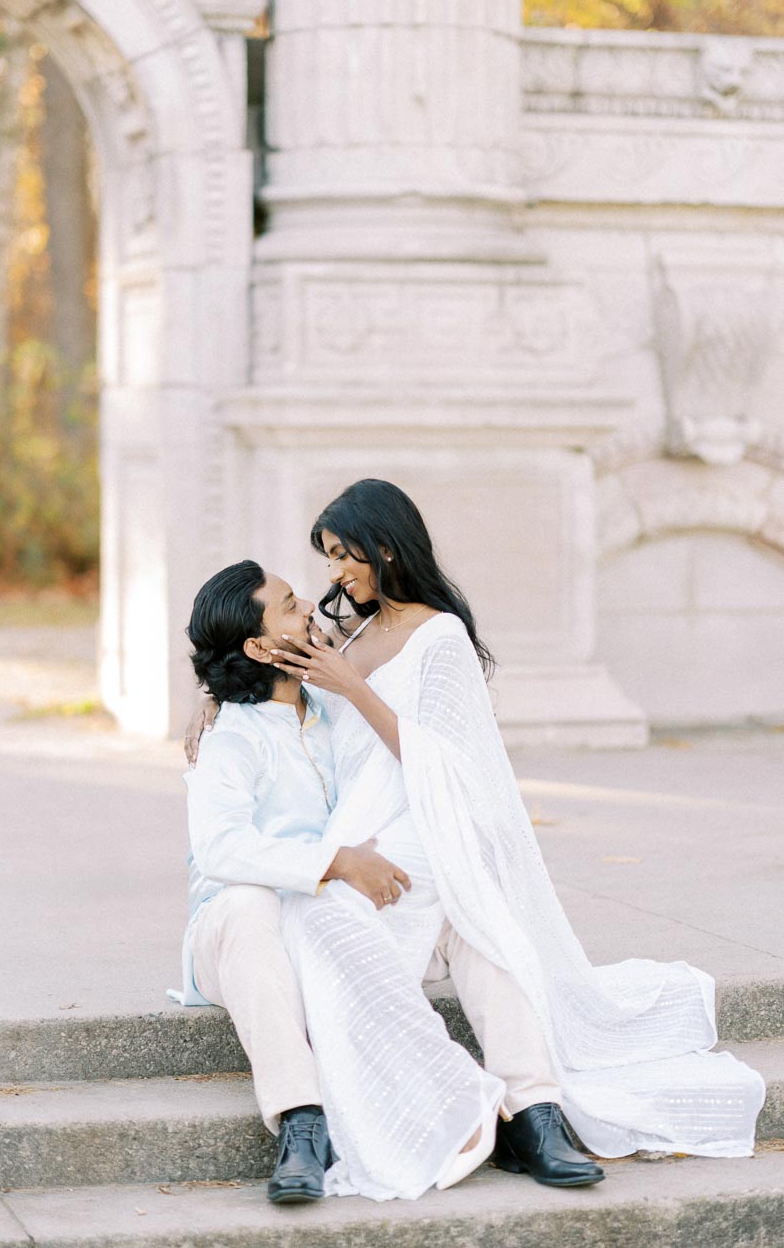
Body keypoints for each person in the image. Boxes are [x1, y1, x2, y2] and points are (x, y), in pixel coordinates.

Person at [187, 478, 765, 1179]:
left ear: (386, 547)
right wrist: (215, 695)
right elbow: (254, 682)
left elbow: (455, 764)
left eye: (344, 555)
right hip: (333, 865)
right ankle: (437, 1102)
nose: (330, 578)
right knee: (346, 910)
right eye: (327, 560)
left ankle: (536, 1111)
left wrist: (351, 692)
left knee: (479, 915)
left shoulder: (431, 638)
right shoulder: (340, 644)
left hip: (415, 829)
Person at [173, 559, 507, 1204]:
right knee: (248, 905)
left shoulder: (333, 705)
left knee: (471, 891)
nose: (309, 610)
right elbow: (219, 848)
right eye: (291, 604)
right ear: (262, 645)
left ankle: (528, 1103)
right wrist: (339, 861)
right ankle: (302, 1123)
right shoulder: (231, 739)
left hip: (330, 919)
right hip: (239, 935)